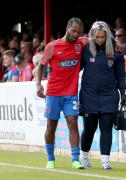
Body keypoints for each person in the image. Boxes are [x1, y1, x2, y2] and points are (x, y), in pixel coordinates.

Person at [35, 17, 87, 169]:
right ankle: (50, 159)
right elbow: (41, 66)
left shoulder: (81, 43)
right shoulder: (52, 46)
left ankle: (75, 160)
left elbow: (97, 37)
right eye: (73, 31)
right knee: (51, 125)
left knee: (73, 122)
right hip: (53, 92)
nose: (76, 34)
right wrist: (38, 84)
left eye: (79, 32)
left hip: (71, 93)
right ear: (67, 28)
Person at [79, 21, 126, 170]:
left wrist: (123, 92)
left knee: (106, 127)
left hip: (109, 95)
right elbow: (74, 70)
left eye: (102, 37)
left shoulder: (116, 51)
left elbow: (120, 74)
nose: (100, 39)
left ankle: (105, 161)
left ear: (107, 36)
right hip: (89, 95)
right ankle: (84, 157)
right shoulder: (85, 50)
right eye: (97, 37)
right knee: (89, 128)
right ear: (92, 36)